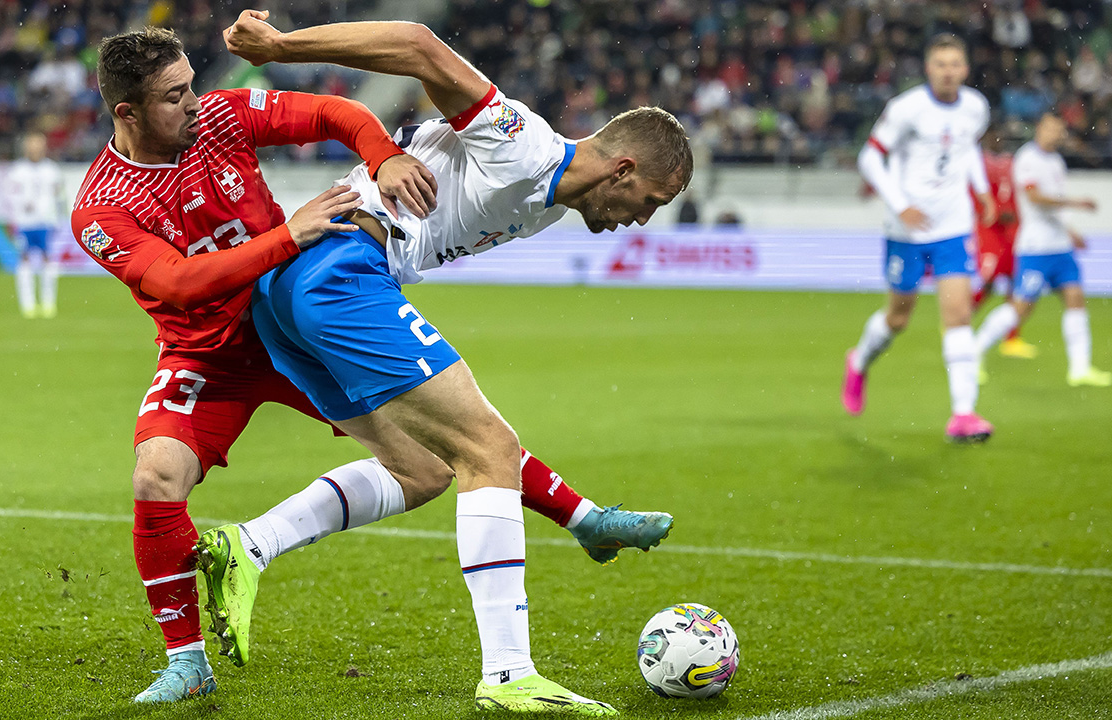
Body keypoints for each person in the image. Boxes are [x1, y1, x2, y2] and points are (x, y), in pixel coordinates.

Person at [72, 27, 671, 706]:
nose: (194, 102)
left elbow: (339, 114)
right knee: (158, 476)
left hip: (280, 305)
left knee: (430, 465)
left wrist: (383, 155)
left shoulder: (218, 117)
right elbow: (178, 284)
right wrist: (279, 51)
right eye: (176, 95)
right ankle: (506, 672)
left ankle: (250, 545)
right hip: (247, 321)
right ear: (128, 112)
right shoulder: (101, 205)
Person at [841, 34, 998, 443]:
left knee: (958, 316)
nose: (948, 71)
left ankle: (963, 415)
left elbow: (968, 151)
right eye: (941, 64)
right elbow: (870, 157)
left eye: (955, 64)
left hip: (952, 227)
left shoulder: (976, 107)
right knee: (898, 318)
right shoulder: (907, 108)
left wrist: (981, 191)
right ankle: (858, 361)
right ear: (929, 69)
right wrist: (899, 204)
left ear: (965, 69)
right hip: (906, 230)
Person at [974, 113, 1112, 387]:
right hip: (1036, 247)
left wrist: (1071, 232)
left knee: (1074, 298)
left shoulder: (1056, 161)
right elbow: (1033, 196)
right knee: (1021, 307)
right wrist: (1075, 203)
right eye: (1050, 128)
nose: (1055, 134)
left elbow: (1055, 203)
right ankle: (974, 352)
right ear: (1040, 129)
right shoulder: (1028, 159)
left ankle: (1079, 368)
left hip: (1059, 246)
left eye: (1059, 130)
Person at [971, 130, 1037, 359]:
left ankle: (1012, 338)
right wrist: (997, 213)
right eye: (993, 137)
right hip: (990, 230)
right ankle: (960, 323)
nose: (998, 140)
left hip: (1012, 231)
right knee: (988, 280)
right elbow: (976, 198)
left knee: (1013, 282)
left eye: (1000, 137)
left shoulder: (1012, 163)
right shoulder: (979, 164)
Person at [8, 132, 64, 319]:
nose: (35, 149)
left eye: (38, 145)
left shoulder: (51, 169)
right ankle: (28, 305)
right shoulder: (17, 170)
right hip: (24, 222)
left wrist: (58, 217)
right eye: (32, 145)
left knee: (48, 260)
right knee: (24, 260)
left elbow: (58, 195)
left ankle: (48, 304)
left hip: (46, 221)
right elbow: (11, 197)